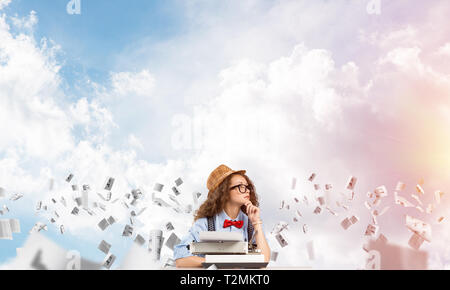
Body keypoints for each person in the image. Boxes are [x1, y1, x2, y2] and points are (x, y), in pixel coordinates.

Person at [174, 164, 271, 268]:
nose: (247, 190)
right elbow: (181, 260)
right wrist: (218, 262)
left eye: (247, 187)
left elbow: (264, 260)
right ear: (224, 192)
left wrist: (256, 223)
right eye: (241, 186)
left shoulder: (252, 223)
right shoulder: (205, 223)